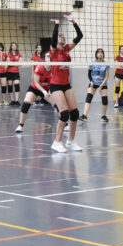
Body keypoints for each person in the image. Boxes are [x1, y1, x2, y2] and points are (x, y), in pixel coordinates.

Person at [48, 16, 83, 152]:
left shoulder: (67, 48)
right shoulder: (53, 51)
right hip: (55, 85)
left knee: (74, 113)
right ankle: (57, 142)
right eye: (60, 36)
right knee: (64, 114)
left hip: (66, 84)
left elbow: (80, 36)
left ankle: (70, 141)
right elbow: (53, 39)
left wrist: (74, 22)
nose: (62, 37)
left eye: (63, 35)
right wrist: (57, 25)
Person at [15, 41, 54, 133]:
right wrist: (44, 92)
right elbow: (36, 83)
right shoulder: (40, 67)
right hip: (35, 88)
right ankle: (21, 126)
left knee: (58, 105)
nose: (50, 58)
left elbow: (54, 82)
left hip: (47, 89)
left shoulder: (54, 69)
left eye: (51, 57)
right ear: (44, 59)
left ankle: (66, 125)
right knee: (26, 104)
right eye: (48, 57)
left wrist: (50, 91)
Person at [82, 48, 110, 122]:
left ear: (103, 54)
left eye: (101, 52)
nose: (100, 53)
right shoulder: (92, 62)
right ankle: (84, 116)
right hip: (93, 82)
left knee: (105, 100)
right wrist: (91, 81)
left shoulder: (106, 64)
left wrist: (101, 85)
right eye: (98, 52)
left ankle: (103, 116)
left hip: (102, 83)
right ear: (96, 54)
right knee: (88, 98)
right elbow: (89, 74)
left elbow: (107, 76)